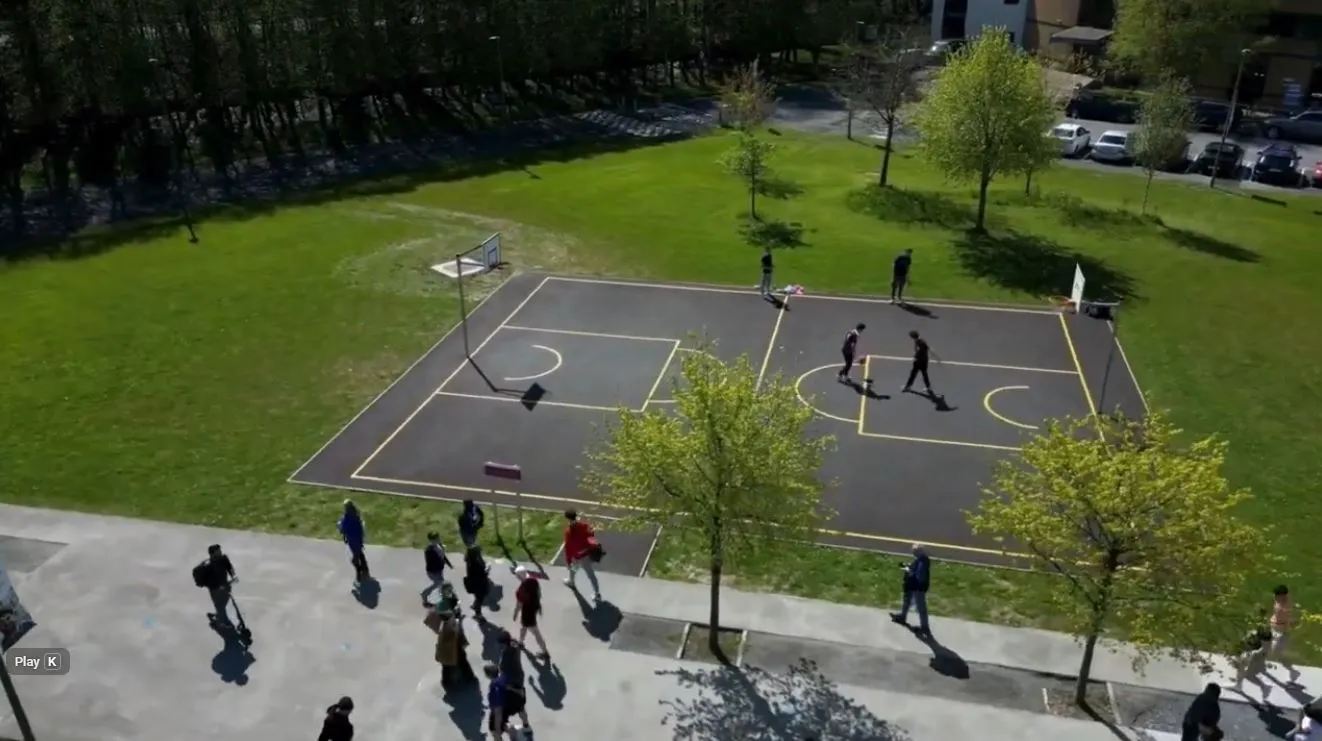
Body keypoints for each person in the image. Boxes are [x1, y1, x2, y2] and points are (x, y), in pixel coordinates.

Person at [562, 509, 603, 604]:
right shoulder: (583, 525)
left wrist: (568, 560)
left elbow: (568, 547)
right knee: (590, 575)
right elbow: (591, 533)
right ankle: (597, 593)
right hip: (586, 554)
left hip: (577, 556)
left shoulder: (568, 531)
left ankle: (572, 582)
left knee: (573, 568)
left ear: (567, 518)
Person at [889, 544, 931, 636]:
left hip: (918, 587)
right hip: (912, 586)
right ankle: (902, 616)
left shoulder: (922, 562)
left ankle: (925, 627)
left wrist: (909, 572)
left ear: (919, 552)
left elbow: (920, 576)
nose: (913, 554)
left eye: (914, 552)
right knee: (907, 601)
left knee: (921, 607)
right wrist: (909, 566)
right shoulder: (920, 559)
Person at [513, 566, 551, 662]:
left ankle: (545, 653)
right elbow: (539, 594)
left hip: (527, 612)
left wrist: (515, 614)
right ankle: (520, 642)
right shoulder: (534, 581)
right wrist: (539, 606)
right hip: (534, 607)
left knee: (536, 633)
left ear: (519, 576)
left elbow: (519, 605)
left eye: (517, 576)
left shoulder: (520, 590)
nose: (516, 577)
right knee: (523, 626)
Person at [194, 544, 237, 626]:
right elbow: (207, 581)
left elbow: (229, 568)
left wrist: (233, 576)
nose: (220, 552)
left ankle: (219, 616)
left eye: (220, 550)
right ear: (212, 554)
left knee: (224, 603)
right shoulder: (208, 566)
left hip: (226, 585)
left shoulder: (224, 559)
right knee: (220, 606)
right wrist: (216, 587)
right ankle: (224, 623)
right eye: (218, 551)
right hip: (215, 589)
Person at [1271, 584, 1301, 684]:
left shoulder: (1285, 609)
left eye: (1277, 596)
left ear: (1283, 595)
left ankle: (1293, 671)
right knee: (1265, 648)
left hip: (1282, 632)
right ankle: (1257, 667)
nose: (1275, 597)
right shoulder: (1280, 600)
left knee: (1277, 653)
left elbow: (1290, 621)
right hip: (1275, 629)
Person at [420, 531, 454, 607]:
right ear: (431, 540)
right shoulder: (429, 550)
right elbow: (436, 561)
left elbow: (443, 557)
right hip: (433, 572)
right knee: (440, 584)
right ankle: (425, 594)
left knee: (440, 585)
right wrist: (442, 552)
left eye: (437, 538)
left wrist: (449, 564)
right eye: (435, 539)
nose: (437, 540)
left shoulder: (439, 546)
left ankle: (444, 599)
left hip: (438, 571)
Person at [338, 500, 369, 582]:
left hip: (352, 541)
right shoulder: (356, 516)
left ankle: (359, 573)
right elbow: (360, 528)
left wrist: (340, 524)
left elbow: (343, 529)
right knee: (360, 554)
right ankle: (365, 569)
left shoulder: (346, 519)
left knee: (355, 559)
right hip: (358, 539)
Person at [901, 330, 937, 395]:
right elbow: (927, 348)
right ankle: (928, 387)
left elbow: (920, 352)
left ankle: (908, 386)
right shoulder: (921, 341)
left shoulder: (920, 342)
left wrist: (915, 356)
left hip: (919, 362)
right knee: (924, 374)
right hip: (924, 361)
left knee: (913, 374)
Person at [464, 545, 493, 618]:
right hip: (480, 584)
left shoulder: (470, 561)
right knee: (479, 600)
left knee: (477, 597)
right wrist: (488, 569)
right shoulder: (476, 564)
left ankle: (474, 606)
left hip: (474, 583)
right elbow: (482, 573)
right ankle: (478, 614)